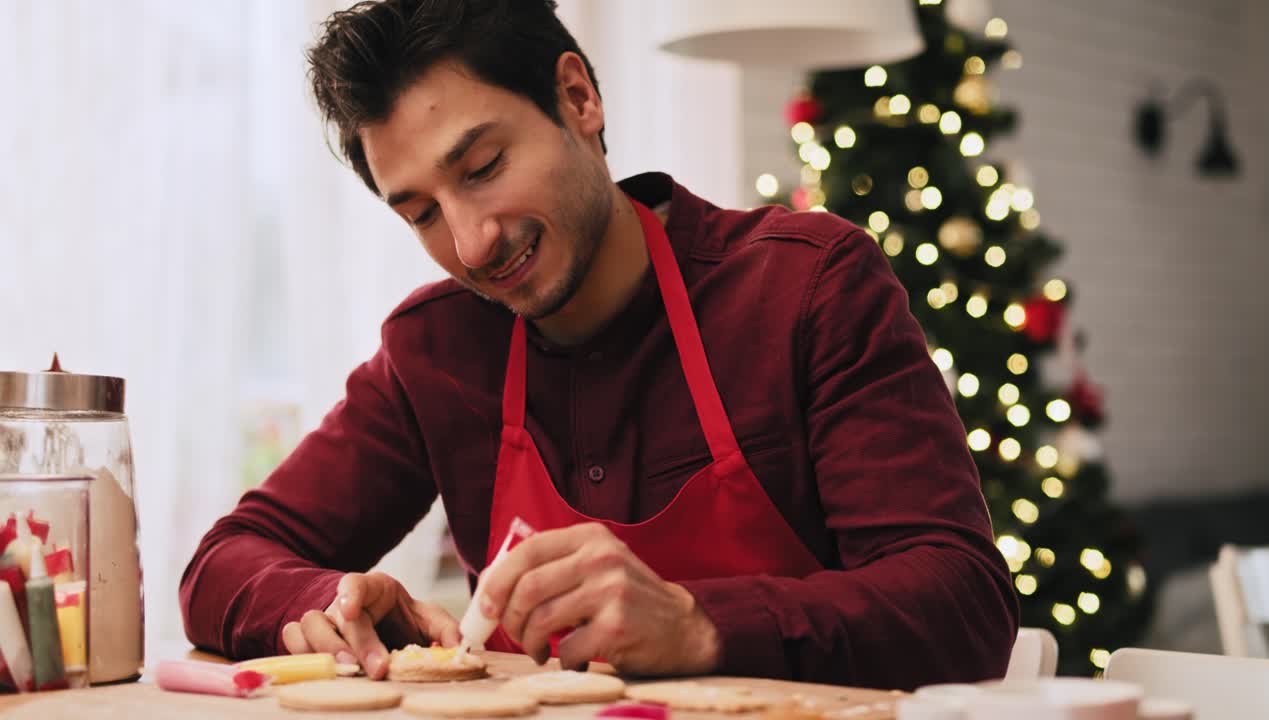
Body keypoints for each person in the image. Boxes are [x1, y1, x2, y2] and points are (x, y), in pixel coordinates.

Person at [180, 0, 1017, 689]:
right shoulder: (436, 349)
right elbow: (223, 563)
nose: (471, 243)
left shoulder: (807, 288)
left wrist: (699, 624)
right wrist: (329, 601)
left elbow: (962, 603)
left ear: (578, 98)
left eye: (483, 167)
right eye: (423, 213)